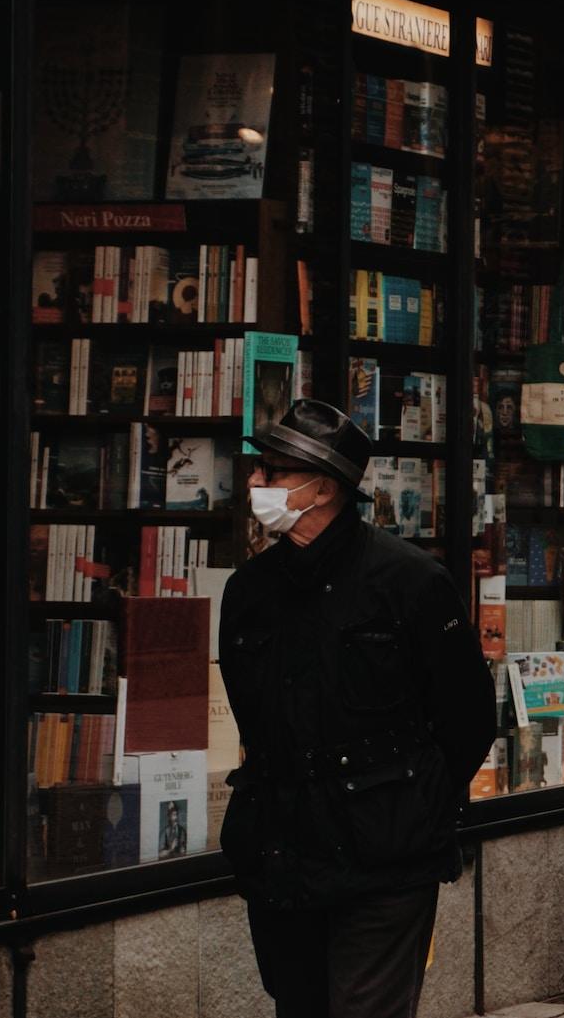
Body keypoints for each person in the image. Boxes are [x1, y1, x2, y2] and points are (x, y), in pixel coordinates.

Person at [219, 399, 495, 1018]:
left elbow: (468, 717)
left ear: (323, 487)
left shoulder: (410, 582)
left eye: (273, 471)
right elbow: (255, 721)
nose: (257, 484)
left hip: (385, 859)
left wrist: (411, 804)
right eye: (259, 469)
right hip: (284, 858)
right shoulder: (249, 593)